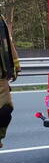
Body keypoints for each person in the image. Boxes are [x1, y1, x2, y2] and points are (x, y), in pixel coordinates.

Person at [0, 17, 19, 149]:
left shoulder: (0, 20)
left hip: (1, 77)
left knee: (6, 110)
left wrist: (15, 65)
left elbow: (8, 43)